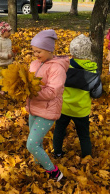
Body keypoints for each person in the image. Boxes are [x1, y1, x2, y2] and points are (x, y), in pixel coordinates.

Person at [26, 29, 70, 182]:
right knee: (36, 142)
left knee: (31, 144)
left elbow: (52, 91)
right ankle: (40, 163)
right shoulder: (34, 63)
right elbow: (26, 80)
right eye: (34, 51)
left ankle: (54, 172)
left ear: (49, 50)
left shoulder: (57, 68)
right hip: (34, 108)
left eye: (39, 51)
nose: (36, 54)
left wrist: (32, 91)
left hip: (48, 111)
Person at [53, 34, 102, 159]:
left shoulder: (64, 67)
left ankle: (57, 152)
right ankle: (87, 156)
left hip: (63, 108)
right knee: (83, 134)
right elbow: (97, 93)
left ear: (71, 51)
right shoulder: (93, 72)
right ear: (88, 52)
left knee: (59, 130)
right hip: (81, 110)